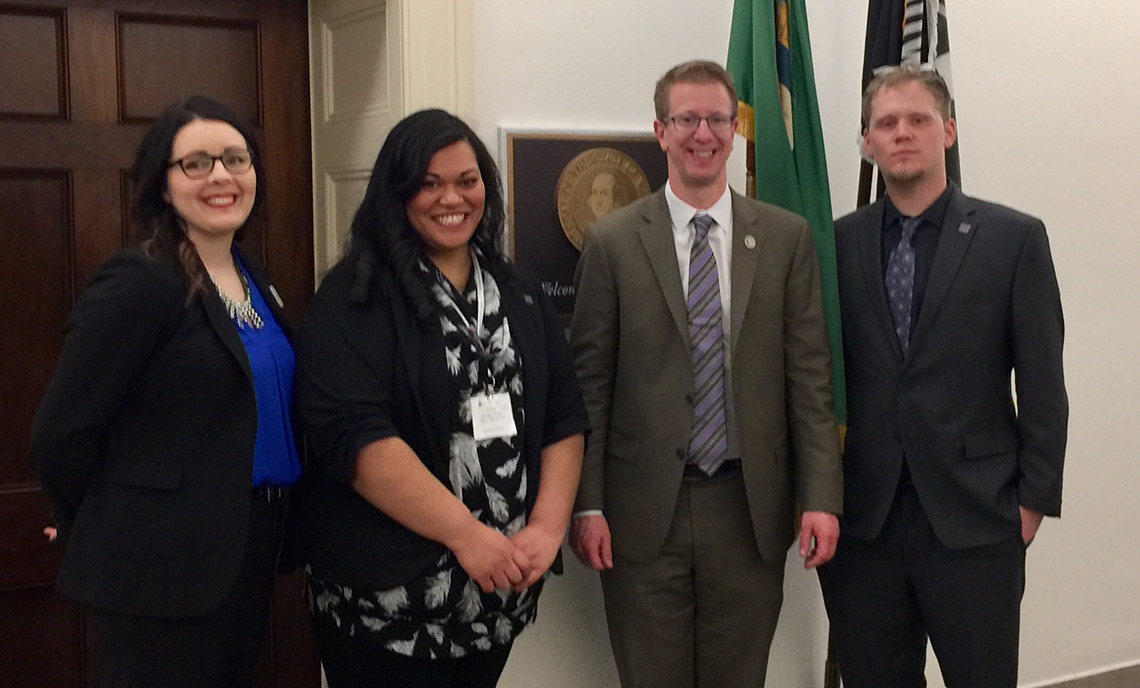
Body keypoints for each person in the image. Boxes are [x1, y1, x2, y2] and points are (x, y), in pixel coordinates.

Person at [569, 59, 843, 688]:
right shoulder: (611, 242)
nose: (703, 133)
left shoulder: (785, 238)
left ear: (734, 129)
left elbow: (810, 379)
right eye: (686, 119)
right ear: (660, 131)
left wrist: (823, 497)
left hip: (748, 508)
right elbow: (590, 390)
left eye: (717, 119)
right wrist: (587, 506)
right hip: (641, 515)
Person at [293, 108, 586, 688]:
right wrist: (467, 536)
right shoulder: (354, 296)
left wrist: (548, 529)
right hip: (387, 610)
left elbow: (564, 418)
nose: (451, 198)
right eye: (429, 183)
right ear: (396, 192)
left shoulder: (518, 290)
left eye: (466, 180)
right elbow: (358, 440)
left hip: (495, 602)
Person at [30, 95, 301, 688]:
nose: (222, 176)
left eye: (236, 158)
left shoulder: (253, 275)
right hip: (161, 564)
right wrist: (94, 515)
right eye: (197, 163)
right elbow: (63, 430)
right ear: (162, 183)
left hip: (249, 548)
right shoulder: (140, 281)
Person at [818, 65, 1068, 688]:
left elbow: (1042, 381)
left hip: (977, 519)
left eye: (918, 119)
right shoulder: (832, 246)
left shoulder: (1013, 239)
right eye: (885, 123)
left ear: (948, 131)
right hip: (863, 525)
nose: (902, 133)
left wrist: (1033, 501)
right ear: (868, 141)